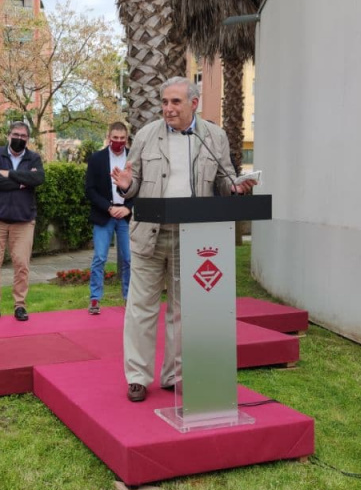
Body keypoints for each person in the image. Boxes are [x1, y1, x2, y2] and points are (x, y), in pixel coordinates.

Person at [111, 77, 257, 402]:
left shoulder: (213, 137)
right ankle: (137, 377)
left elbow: (223, 179)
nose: (168, 108)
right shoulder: (147, 135)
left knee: (182, 310)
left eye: (175, 102)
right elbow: (133, 184)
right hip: (149, 233)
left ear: (194, 103)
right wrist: (124, 184)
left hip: (194, 236)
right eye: (164, 102)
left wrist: (235, 186)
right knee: (140, 308)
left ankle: (173, 376)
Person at [0, 121, 45, 323]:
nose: (19, 138)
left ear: (28, 139)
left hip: (24, 219)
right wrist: (22, 181)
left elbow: (38, 179)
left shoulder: (33, 157)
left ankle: (20, 305)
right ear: (8, 135)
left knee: (21, 264)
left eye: (23, 136)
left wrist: (9, 174)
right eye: (16, 134)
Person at [84, 121, 133, 314]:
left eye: (122, 139)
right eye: (115, 138)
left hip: (126, 217)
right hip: (104, 215)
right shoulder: (97, 159)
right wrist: (108, 207)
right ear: (108, 137)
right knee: (100, 257)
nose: (118, 142)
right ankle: (95, 299)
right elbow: (90, 189)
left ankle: (129, 298)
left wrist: (128, 208)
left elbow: (142, 189)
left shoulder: (133, 159)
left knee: (129, 259)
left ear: (127, 139)